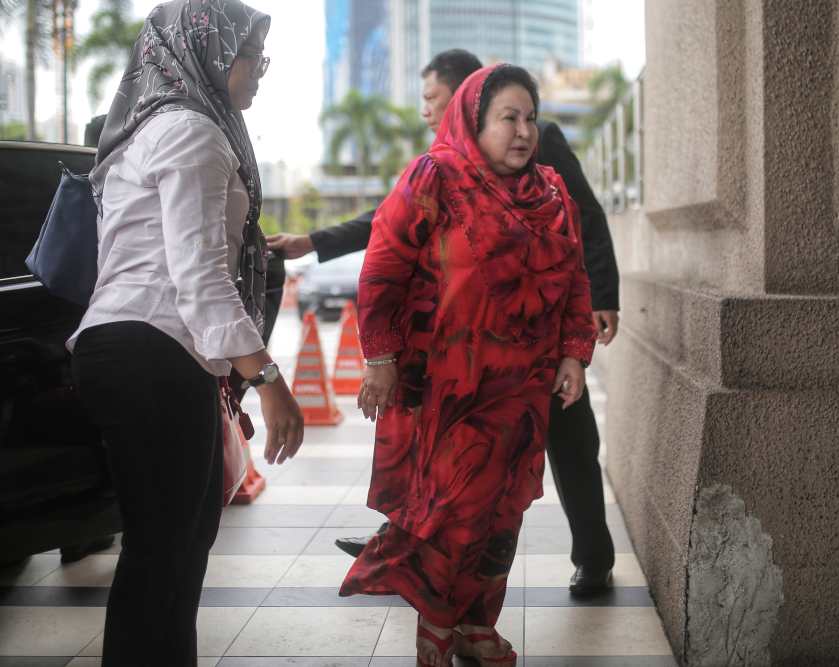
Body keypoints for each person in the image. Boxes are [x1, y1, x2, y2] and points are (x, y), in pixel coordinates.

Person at [268, 48, 620, 596]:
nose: (426, 112)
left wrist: (600, 300)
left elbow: (584, 218)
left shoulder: (535, 140)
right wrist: (315, 242)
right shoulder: (443, 161)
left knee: (569, 443)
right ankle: (415, 556)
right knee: (447, 456)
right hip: (466, 352)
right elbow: (390, 227)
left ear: (465, 96)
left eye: (432, 98)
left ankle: (593, 556)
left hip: (543, 339)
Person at [67, 2, 303, 663]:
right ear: (209, 51)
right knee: (164, 551)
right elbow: (199, 278)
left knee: (174, 546)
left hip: (142, 349)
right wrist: (270, 380)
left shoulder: (145, 129)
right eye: (252, 55)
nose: (261, 70)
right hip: (152, 351)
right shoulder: (192, 132)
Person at [338, 64, 596, 666]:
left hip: (524, 388)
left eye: (530, 118)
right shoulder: (436, 176)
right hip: (449, 388)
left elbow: (575, 282)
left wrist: (574, 355)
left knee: (504, 510)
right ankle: (437, 625)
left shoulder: (553, 192)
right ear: (475, 121)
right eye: (509, 118)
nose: (524, 131)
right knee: (453, 512)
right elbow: (381, 268)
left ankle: (479, 625)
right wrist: (378, 359)